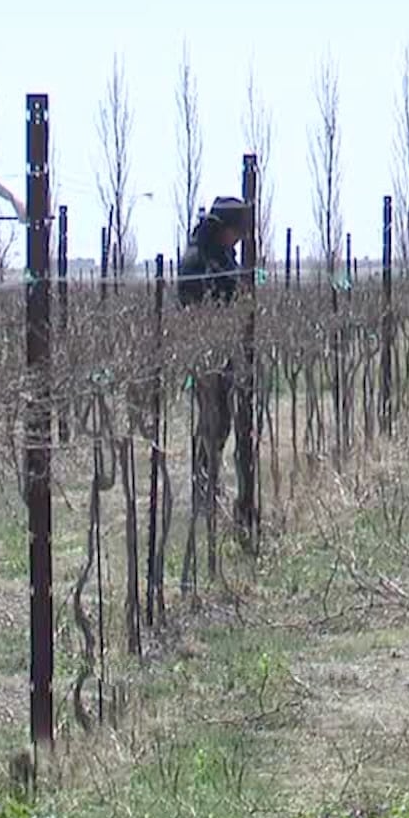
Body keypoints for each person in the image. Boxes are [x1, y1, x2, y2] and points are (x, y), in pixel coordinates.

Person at [176, 196, 252, 581]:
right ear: (223, 228)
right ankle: (203, 493)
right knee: (210, 423)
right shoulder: (198, 260)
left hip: (221, 352)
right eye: (235, 231)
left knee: (219, 425)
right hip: (205, 355)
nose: (238, 240)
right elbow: (198, 304)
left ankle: (210, 488)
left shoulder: (220, 256)